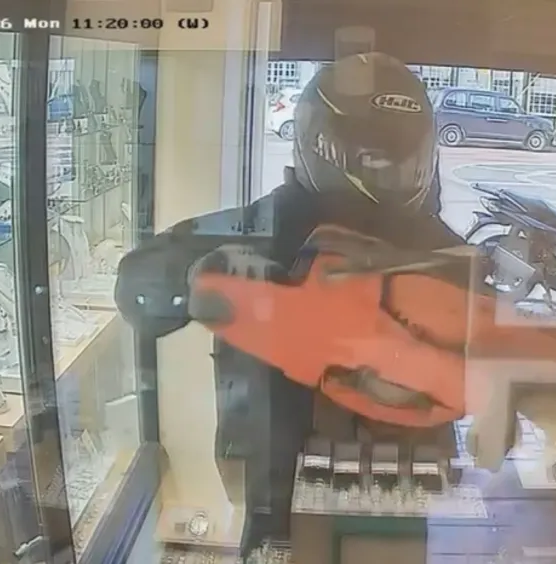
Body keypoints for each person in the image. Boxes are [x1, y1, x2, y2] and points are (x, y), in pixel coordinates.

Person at [114, 52, 464, 555]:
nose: (396, 176)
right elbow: (136, 288)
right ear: (327, 148)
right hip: (280, 488)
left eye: (406, 161)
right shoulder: (261, 234)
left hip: (402, 484)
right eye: (380, 161)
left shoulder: (439, 247)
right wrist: (202, 276)